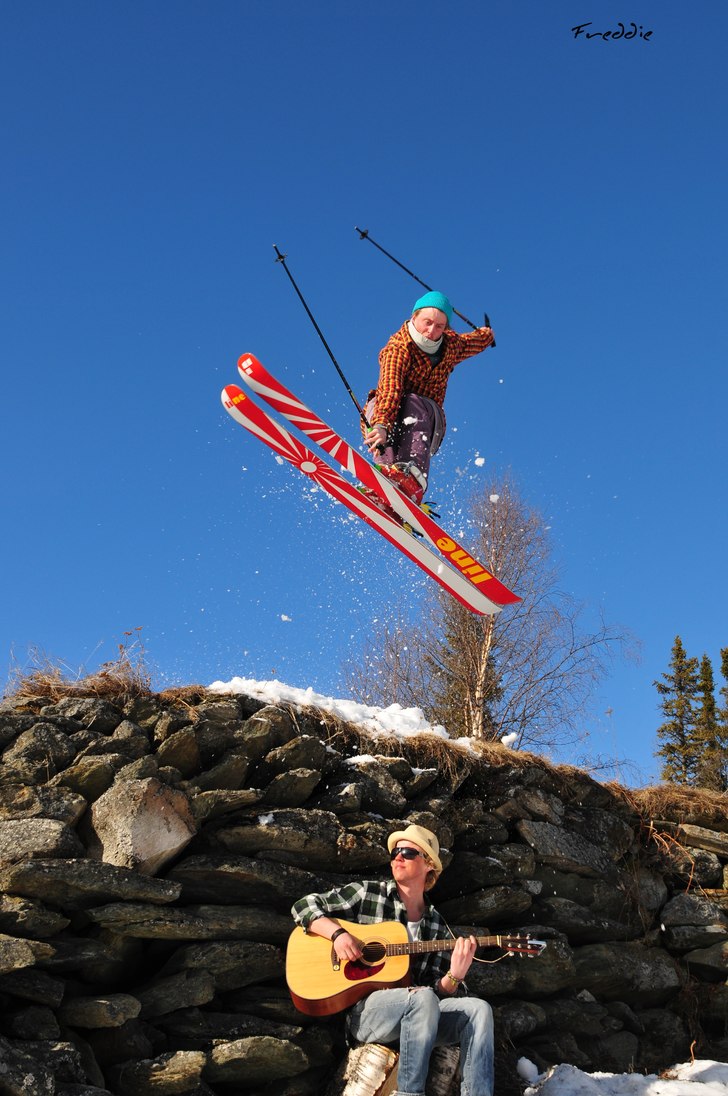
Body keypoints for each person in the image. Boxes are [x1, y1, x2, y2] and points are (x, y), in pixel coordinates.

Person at [291, 824, 494, 1096]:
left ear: (429, 866)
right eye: (396, 851)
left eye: (408, 852)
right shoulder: (368, 894)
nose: (398, 857)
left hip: (416, 1018)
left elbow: (433, 998)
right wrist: (338, 935)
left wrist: (453, 978)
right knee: (421, 998)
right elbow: (303, 906)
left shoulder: (436, 927)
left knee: (479, 1010)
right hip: (367, 1015)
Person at [363, 292, 495, 505]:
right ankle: (385, 476)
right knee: (384, 404)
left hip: (427, 422)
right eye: (427, 322)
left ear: (446, 328)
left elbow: (474, 342)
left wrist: (487, 336)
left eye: (440, 326)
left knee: (414, 402)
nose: (432, 331)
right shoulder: (398, 348)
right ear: (414, 317)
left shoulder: (450, 346)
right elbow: (390, 387)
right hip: (386, 415)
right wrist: (380, 424)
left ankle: (412, 479)